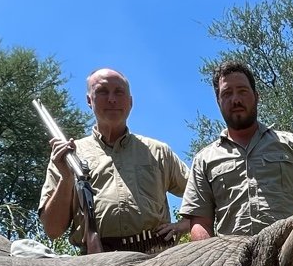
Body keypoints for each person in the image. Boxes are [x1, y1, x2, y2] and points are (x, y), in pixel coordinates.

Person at [168, 61, 293, 240]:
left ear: (256, 96)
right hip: (231, 261)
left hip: (289, 255)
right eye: (227, 93)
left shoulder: (291, 144)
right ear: (218, 102)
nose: (236, 99)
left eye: (242, 91)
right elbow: (200, 222)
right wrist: (212, 264)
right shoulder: (204, 160)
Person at [39, 68, 189, 254]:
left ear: (130, 101)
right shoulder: (67, 157)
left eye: (119, 92)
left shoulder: (159, 151)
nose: (112, 99)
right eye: (102, 91)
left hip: (155, 258)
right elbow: (52, 230)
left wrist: (183, 225)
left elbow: (201, 194)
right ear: (89, 100)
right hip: (96, 261)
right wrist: (66, 178)